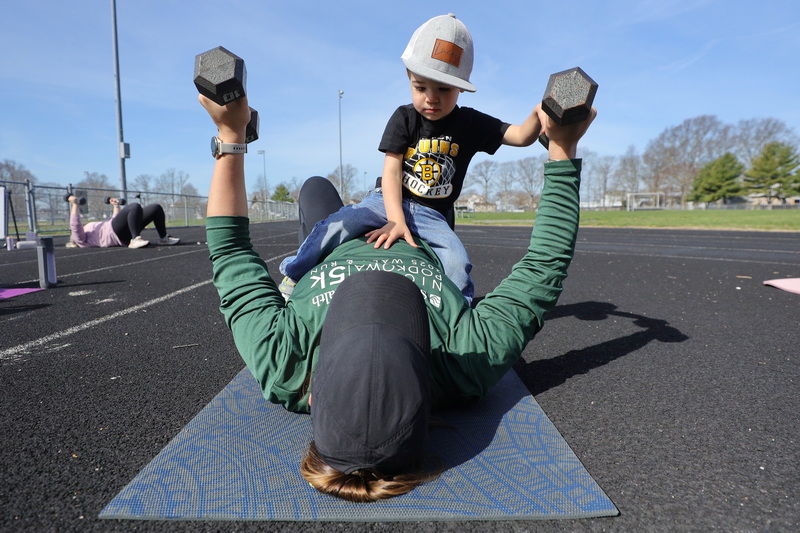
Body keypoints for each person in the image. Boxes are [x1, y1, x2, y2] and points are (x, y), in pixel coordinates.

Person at [200, 85, 595, 502]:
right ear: (427, 385)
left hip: (344, 238)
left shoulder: (283, 359)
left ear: (313, 395)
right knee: (439, 208)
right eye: (401, 318)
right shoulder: (466, 360)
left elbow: (229, 251)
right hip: (422, 229)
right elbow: (544, 265)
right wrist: (562, 150)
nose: (376, 288)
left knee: (315, 189)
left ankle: (308, 248)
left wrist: (231, 136)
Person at [278, 14, 544, 304]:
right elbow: (391, 173)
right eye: (421, 87)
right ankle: (295, 273)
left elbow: (519, 136)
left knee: (457, 262)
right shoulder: (404, 117)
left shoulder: (470, 123)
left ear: (460, 88)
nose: (431, 98)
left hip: (433, 215)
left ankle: (459, 319)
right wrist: (395, 219)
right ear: (409, 80)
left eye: (444, 89)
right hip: (385, 201)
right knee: (340, 223)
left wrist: (538, 116)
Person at [67, 195, 180, 248]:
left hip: (118, 228)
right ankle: (135, 239)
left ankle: (163, 238)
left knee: (155, 208)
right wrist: (75, 204)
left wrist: (116, 206)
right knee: (134, 207)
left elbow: (115, 220)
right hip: (117, 234)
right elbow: (75, 225)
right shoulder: (80, 240)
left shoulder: (90, 229)